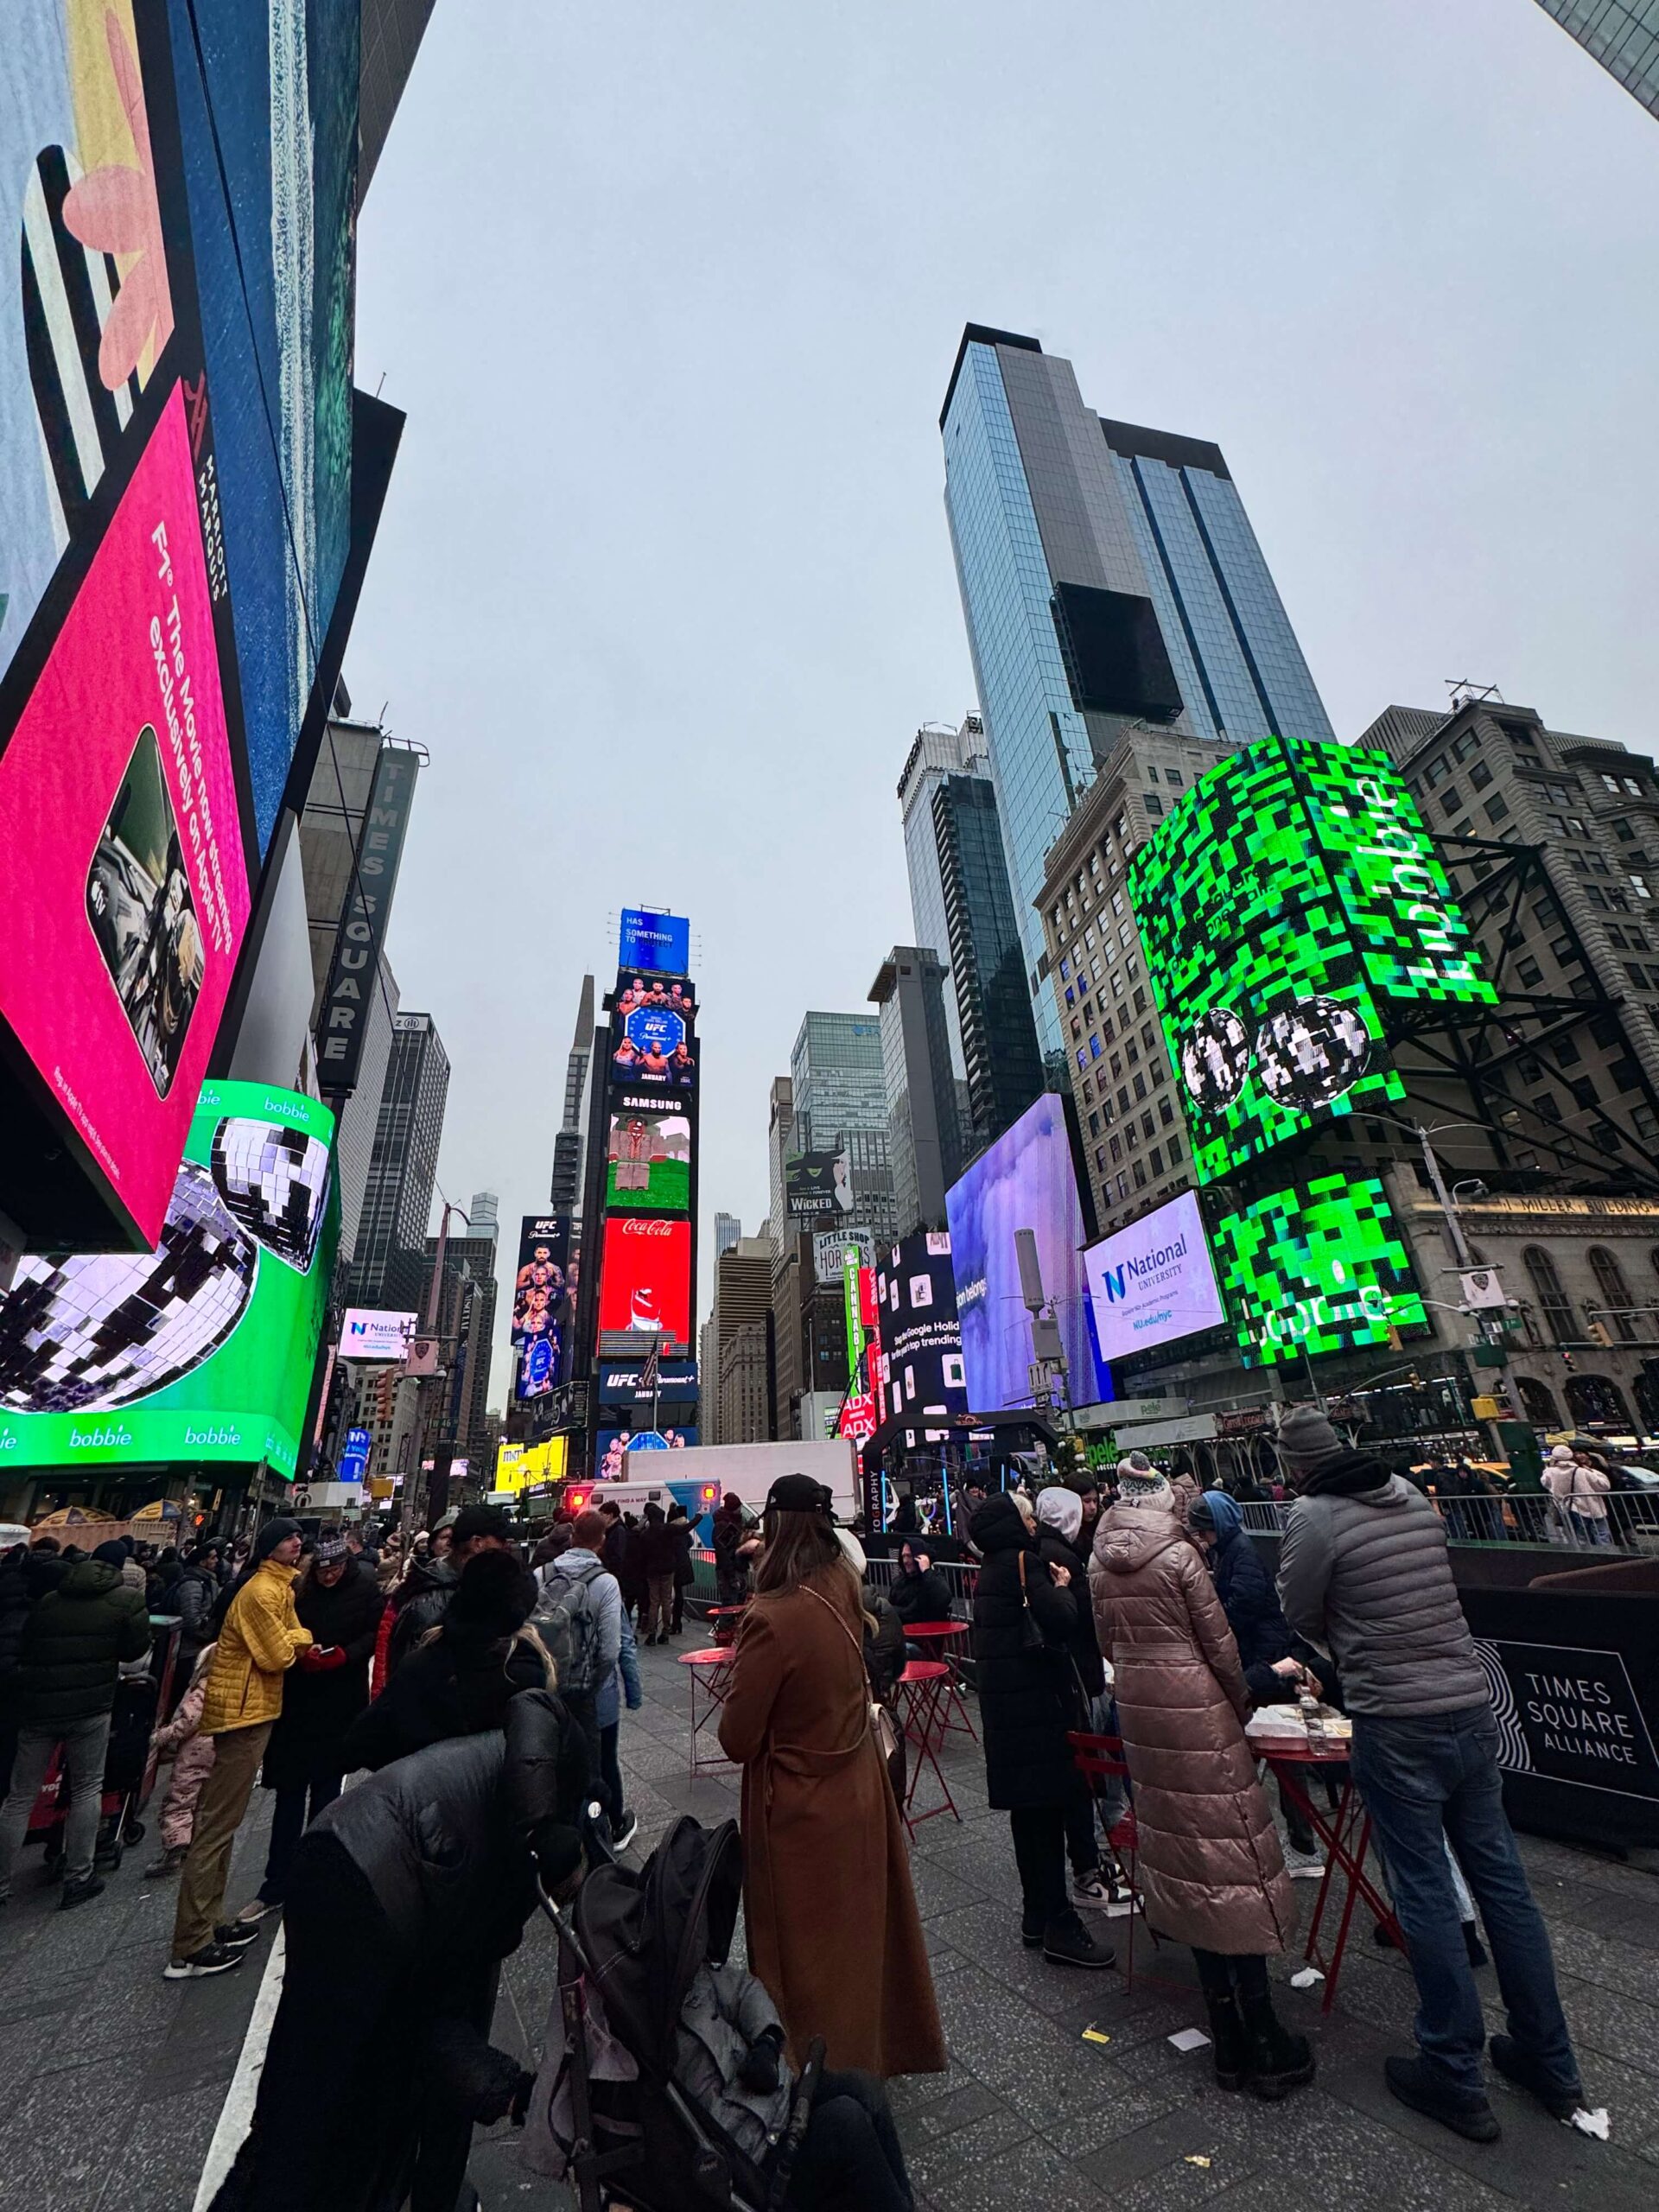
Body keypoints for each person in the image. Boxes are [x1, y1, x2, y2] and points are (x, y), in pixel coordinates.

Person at [1275, 1404, 1586, 2139]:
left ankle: (1452, 2070)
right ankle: (1551, 2062)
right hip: (1470, 1708)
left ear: (1294, 1466)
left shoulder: (1314, 1517)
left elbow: (1298, 1609)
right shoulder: (1411, 1495)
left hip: (1395, 1719)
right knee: (1505, 1887)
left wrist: (1350, 1645)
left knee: (1423, 1892)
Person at [207, 1692, 589, 2212]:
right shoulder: (547, 1757)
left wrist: (515, 2094)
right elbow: (533, 1706)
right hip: (360, 1880)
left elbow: (431, 2022)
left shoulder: (500, 1874)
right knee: (309, 2105)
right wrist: (544, 1829)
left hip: (359, 1881)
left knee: (339, 2095)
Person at [1094, 1463, 1309, 2101]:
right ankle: (1263, 2034)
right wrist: (1239, 1700)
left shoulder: (1099, 1563)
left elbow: (1106, 1644)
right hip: (1198, 1712)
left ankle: (1225, 2035)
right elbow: (1220, 1647)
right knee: (1233, 1858)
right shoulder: (1180, 1557)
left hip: (1143, 1716)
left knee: (1186, 1861)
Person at [718, 1475, 945, 2076]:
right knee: (862, 1935)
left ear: (775, 1528)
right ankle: (875, 2048)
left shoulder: (771, 1617)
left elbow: (737, 1739)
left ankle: (821, 2068)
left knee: (808, 1950)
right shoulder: (843, 1584)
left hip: (802, 1806)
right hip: (859, 1781)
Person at [969, 1491, 1114, 1970]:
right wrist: (1065, 1587)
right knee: (1048, 1814)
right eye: (1029, 1518)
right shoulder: (1025, 1564)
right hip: (1038, 1710)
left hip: (1007, 1715)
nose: (1034, 1525)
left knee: (1027, 1817)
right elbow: (1063, 1619)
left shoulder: (990, 1568)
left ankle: (1036, 1914)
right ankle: (1059, 1922)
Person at [167, 1518, 312, 1979]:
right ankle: (191, 1944)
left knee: (224, 1824)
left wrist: (295, 1636)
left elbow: (289, 1637)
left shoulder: (278, 1588)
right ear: (269, 1548)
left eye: (298, 1536)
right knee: (216, 1826)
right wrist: (301, 1638)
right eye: (288, 1537)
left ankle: (210, 1921)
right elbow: (280, 1654)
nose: (297, 1542)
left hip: (253, 1710)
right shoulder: (261, 1593)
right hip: (242, 1714)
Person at [239, 1538, 386, 1922]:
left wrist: (345, 1655)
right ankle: (276, 1883)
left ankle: (316, 1878)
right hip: (297, 1703)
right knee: (289, 1795)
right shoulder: (296, 1589)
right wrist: (299, 1654)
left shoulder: (365, 1589)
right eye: (322, 1571)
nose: (329, 1576)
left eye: (335, 1569)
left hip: (339, 1703)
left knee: (327, 1796)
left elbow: (374, 1636)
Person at [0, 1538, 151, 1910]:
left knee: (20, 1796)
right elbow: (135, 1649)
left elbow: (28, 1645)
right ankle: (79, 1876)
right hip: (91, 1707)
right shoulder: (125, 1600)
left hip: (39, 1708)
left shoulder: (49, 1602)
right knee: (87, 1788)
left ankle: (1, 1884)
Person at [1188, 1490, 1325, 1869]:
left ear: (1217, 1526)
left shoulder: (1241, 1553)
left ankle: (1303, 1845)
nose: (1203, 1537)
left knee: (1282, 1748)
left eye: (1205, 1530)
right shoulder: (1231, 1550)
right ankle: (1297, 1840)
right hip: (1261, 1652)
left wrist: (1212, 1617)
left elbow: (1243, 1605)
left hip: (1266, 1656)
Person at [346, 1549, 552, 1772]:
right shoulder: (528, 1672)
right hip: (495, 1790)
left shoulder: (423, 1663)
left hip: (427, 1786)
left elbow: (364, 1742)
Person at [1033, 1488, 1116, 1908]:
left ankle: (1092, 1855)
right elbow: (1079, 1618)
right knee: (1088, 1768)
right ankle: (1091, 1859)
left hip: (1067, 1677)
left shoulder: (1041, 1551)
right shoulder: (1062, 1556)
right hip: (1080, 1676)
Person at [532, 1509, 623, 1825]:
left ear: (572, 1537)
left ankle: (553, 1827)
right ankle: (594, 1829)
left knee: (548, 1759)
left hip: (542, 1683)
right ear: (602, 1541)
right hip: (583, 1693)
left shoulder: (541, 1574)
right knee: (591, 1765)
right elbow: (610, 1650)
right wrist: (593, 1683)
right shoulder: (606, 1582)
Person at [146, 1641, 218, 1878]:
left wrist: (161, 1736)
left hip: (193, 1754)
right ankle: (194, 1840)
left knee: (180, 1799)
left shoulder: (201, 1690)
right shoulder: (226, 1688)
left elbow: (188, 1722)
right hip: (216, 1750)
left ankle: (175, 1848)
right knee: (203, 1798)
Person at [596, 1597, 643, 1853]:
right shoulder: (606, 1586)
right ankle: (615, 1825)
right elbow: (622, 1645)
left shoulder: (544, 1580)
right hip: (601, 1695)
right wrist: (633, 1693)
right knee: (607, 1761)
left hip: (560, 1694)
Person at [1543, 1445, 1611, 1548]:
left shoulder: (1550, 1472)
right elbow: (1604, 1485)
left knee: (1580, 1539)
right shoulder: (1582, 1471)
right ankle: (1605, 1554)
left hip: (1569, 1508)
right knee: (1602, 1535)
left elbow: (1545, 1483)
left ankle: (1584, 1555)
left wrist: (1550, 1466)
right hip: (1593, 1507)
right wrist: (1590, 1470)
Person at [887, 1541, 953, 1633]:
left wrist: (926, 1571)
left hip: (927, 1635)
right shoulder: (899, 1582)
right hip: (902, 1634)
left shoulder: (934, 1578)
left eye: (909, 1556)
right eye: (903, 1556)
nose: (905, 1561)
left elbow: (944, 1597)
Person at [637, 1501, 678, 1645]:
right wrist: (698, 1517)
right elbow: (685, 1529)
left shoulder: (645, 1534)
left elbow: (642, 1555)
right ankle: (665, 1632)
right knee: (666, 1601)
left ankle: (652, 1633)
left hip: (652, 1570)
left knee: (654, 1602)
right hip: (668, 1569)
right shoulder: (667, 1530)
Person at [712, 1491, 749, 1608]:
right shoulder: (722, 1526)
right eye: (738, 1507)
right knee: (729, 1607)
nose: (740, 1510)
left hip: (738, 1568)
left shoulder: (733, 1523)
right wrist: (732, 1577)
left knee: (737, 1605)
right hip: (729, 1573)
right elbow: (723, 1553)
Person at [668, 1501, 696, 1634]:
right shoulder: (684, 1532)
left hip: (672, 1565)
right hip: (683, 1564)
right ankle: (677, 1623)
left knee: (668, 1595)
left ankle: (673, 1624)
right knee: (679, 1594)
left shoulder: (670, 1533)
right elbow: (690, 1543)